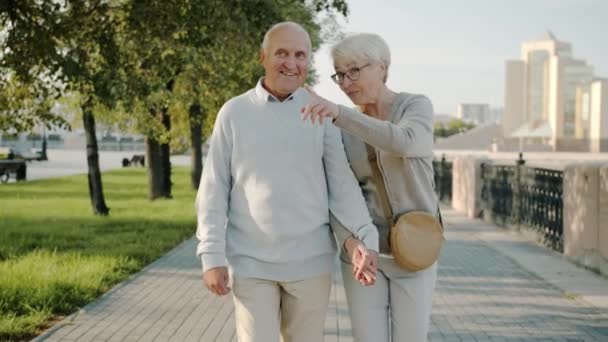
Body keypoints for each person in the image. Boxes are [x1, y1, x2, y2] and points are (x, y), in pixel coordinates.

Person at [195, 22, 379, 342]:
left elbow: (341, 185)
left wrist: (365, 237)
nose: (291, 63)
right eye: (281, 53)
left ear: (308, 62)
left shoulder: (321, 114)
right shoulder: (234, 113)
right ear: (262, 56)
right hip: (251, 263)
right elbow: (213, 188)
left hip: (311, 264)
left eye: (300, 55)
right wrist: (211, 257)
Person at [301, 33, 439, 342]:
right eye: (340, 75)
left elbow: (404, 142)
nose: (346, 82)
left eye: (354, 71)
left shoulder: (415, 106)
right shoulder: (340, 126)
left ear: (382, 67)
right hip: (366, 255)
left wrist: (340, 114)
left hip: (415, 249)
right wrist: (351, 243)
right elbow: (337, 191)